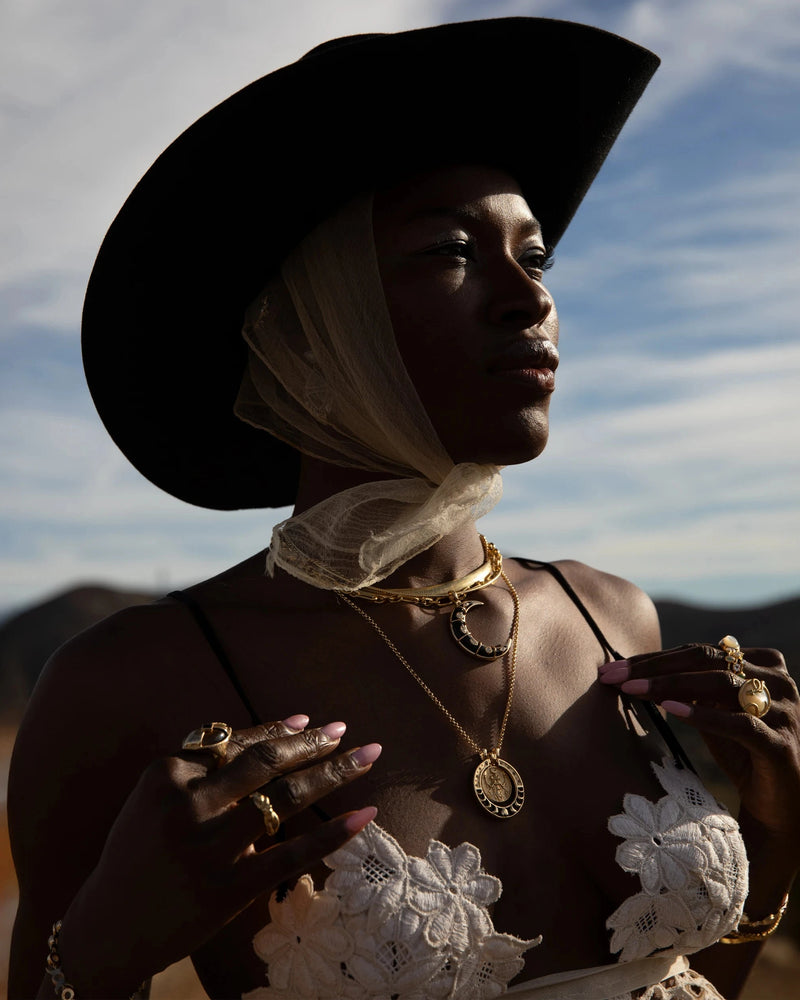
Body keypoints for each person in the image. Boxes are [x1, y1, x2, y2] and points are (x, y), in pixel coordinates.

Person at [7, 17, 800, 1000]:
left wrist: (768, 822)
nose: (527, 298)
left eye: (536, 256)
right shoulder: (132, 680)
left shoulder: (613, 619)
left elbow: (679, 976)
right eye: (449, 250)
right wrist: (102, 946)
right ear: (311, 324)